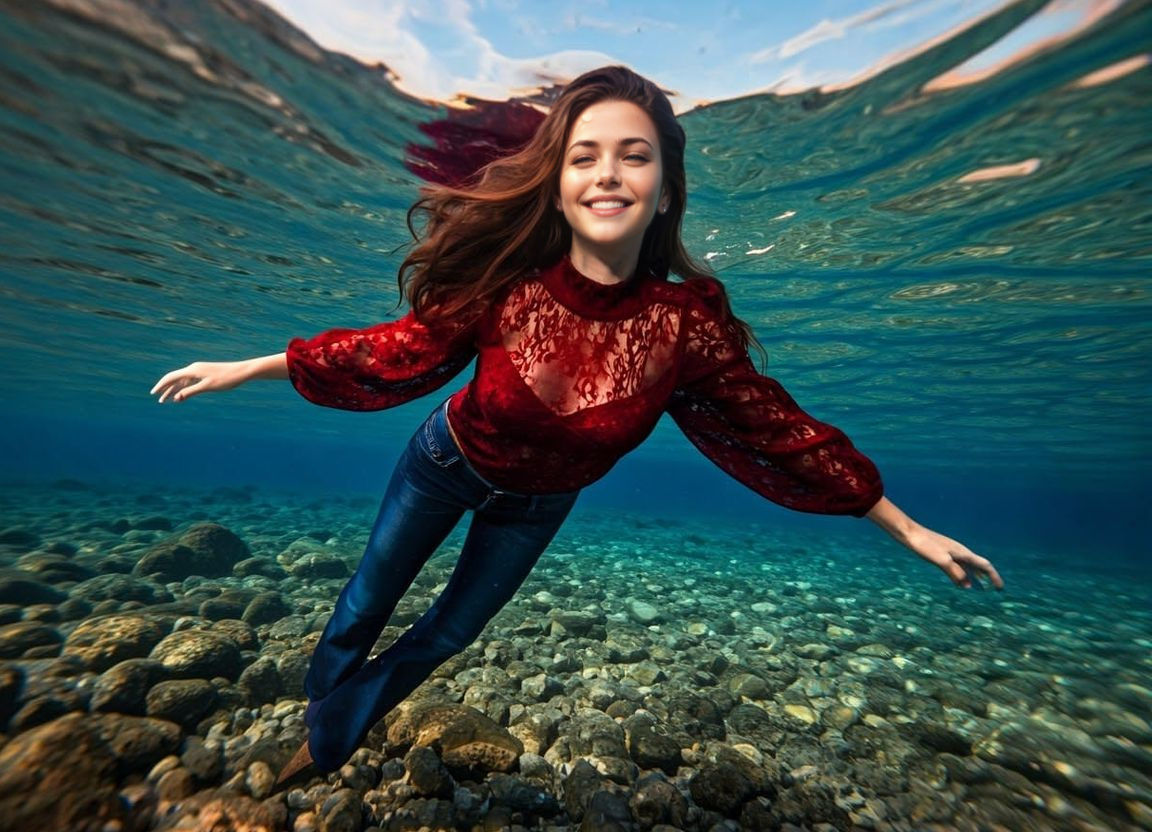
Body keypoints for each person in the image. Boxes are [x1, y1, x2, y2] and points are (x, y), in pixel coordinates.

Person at [150, 66, 1004, 784]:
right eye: (584, 156)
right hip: (444, 462)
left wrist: (904, 526)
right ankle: (323, 713)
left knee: (453, 629)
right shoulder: (506, 283)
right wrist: (249, 366)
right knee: (369, 598)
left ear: (663, 190)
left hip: (538, 505)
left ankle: (331, 734)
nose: (608, 174)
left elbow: (777, 428)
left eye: (634, 156)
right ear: (558, 186)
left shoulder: (685, 327)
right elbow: (394, 349)